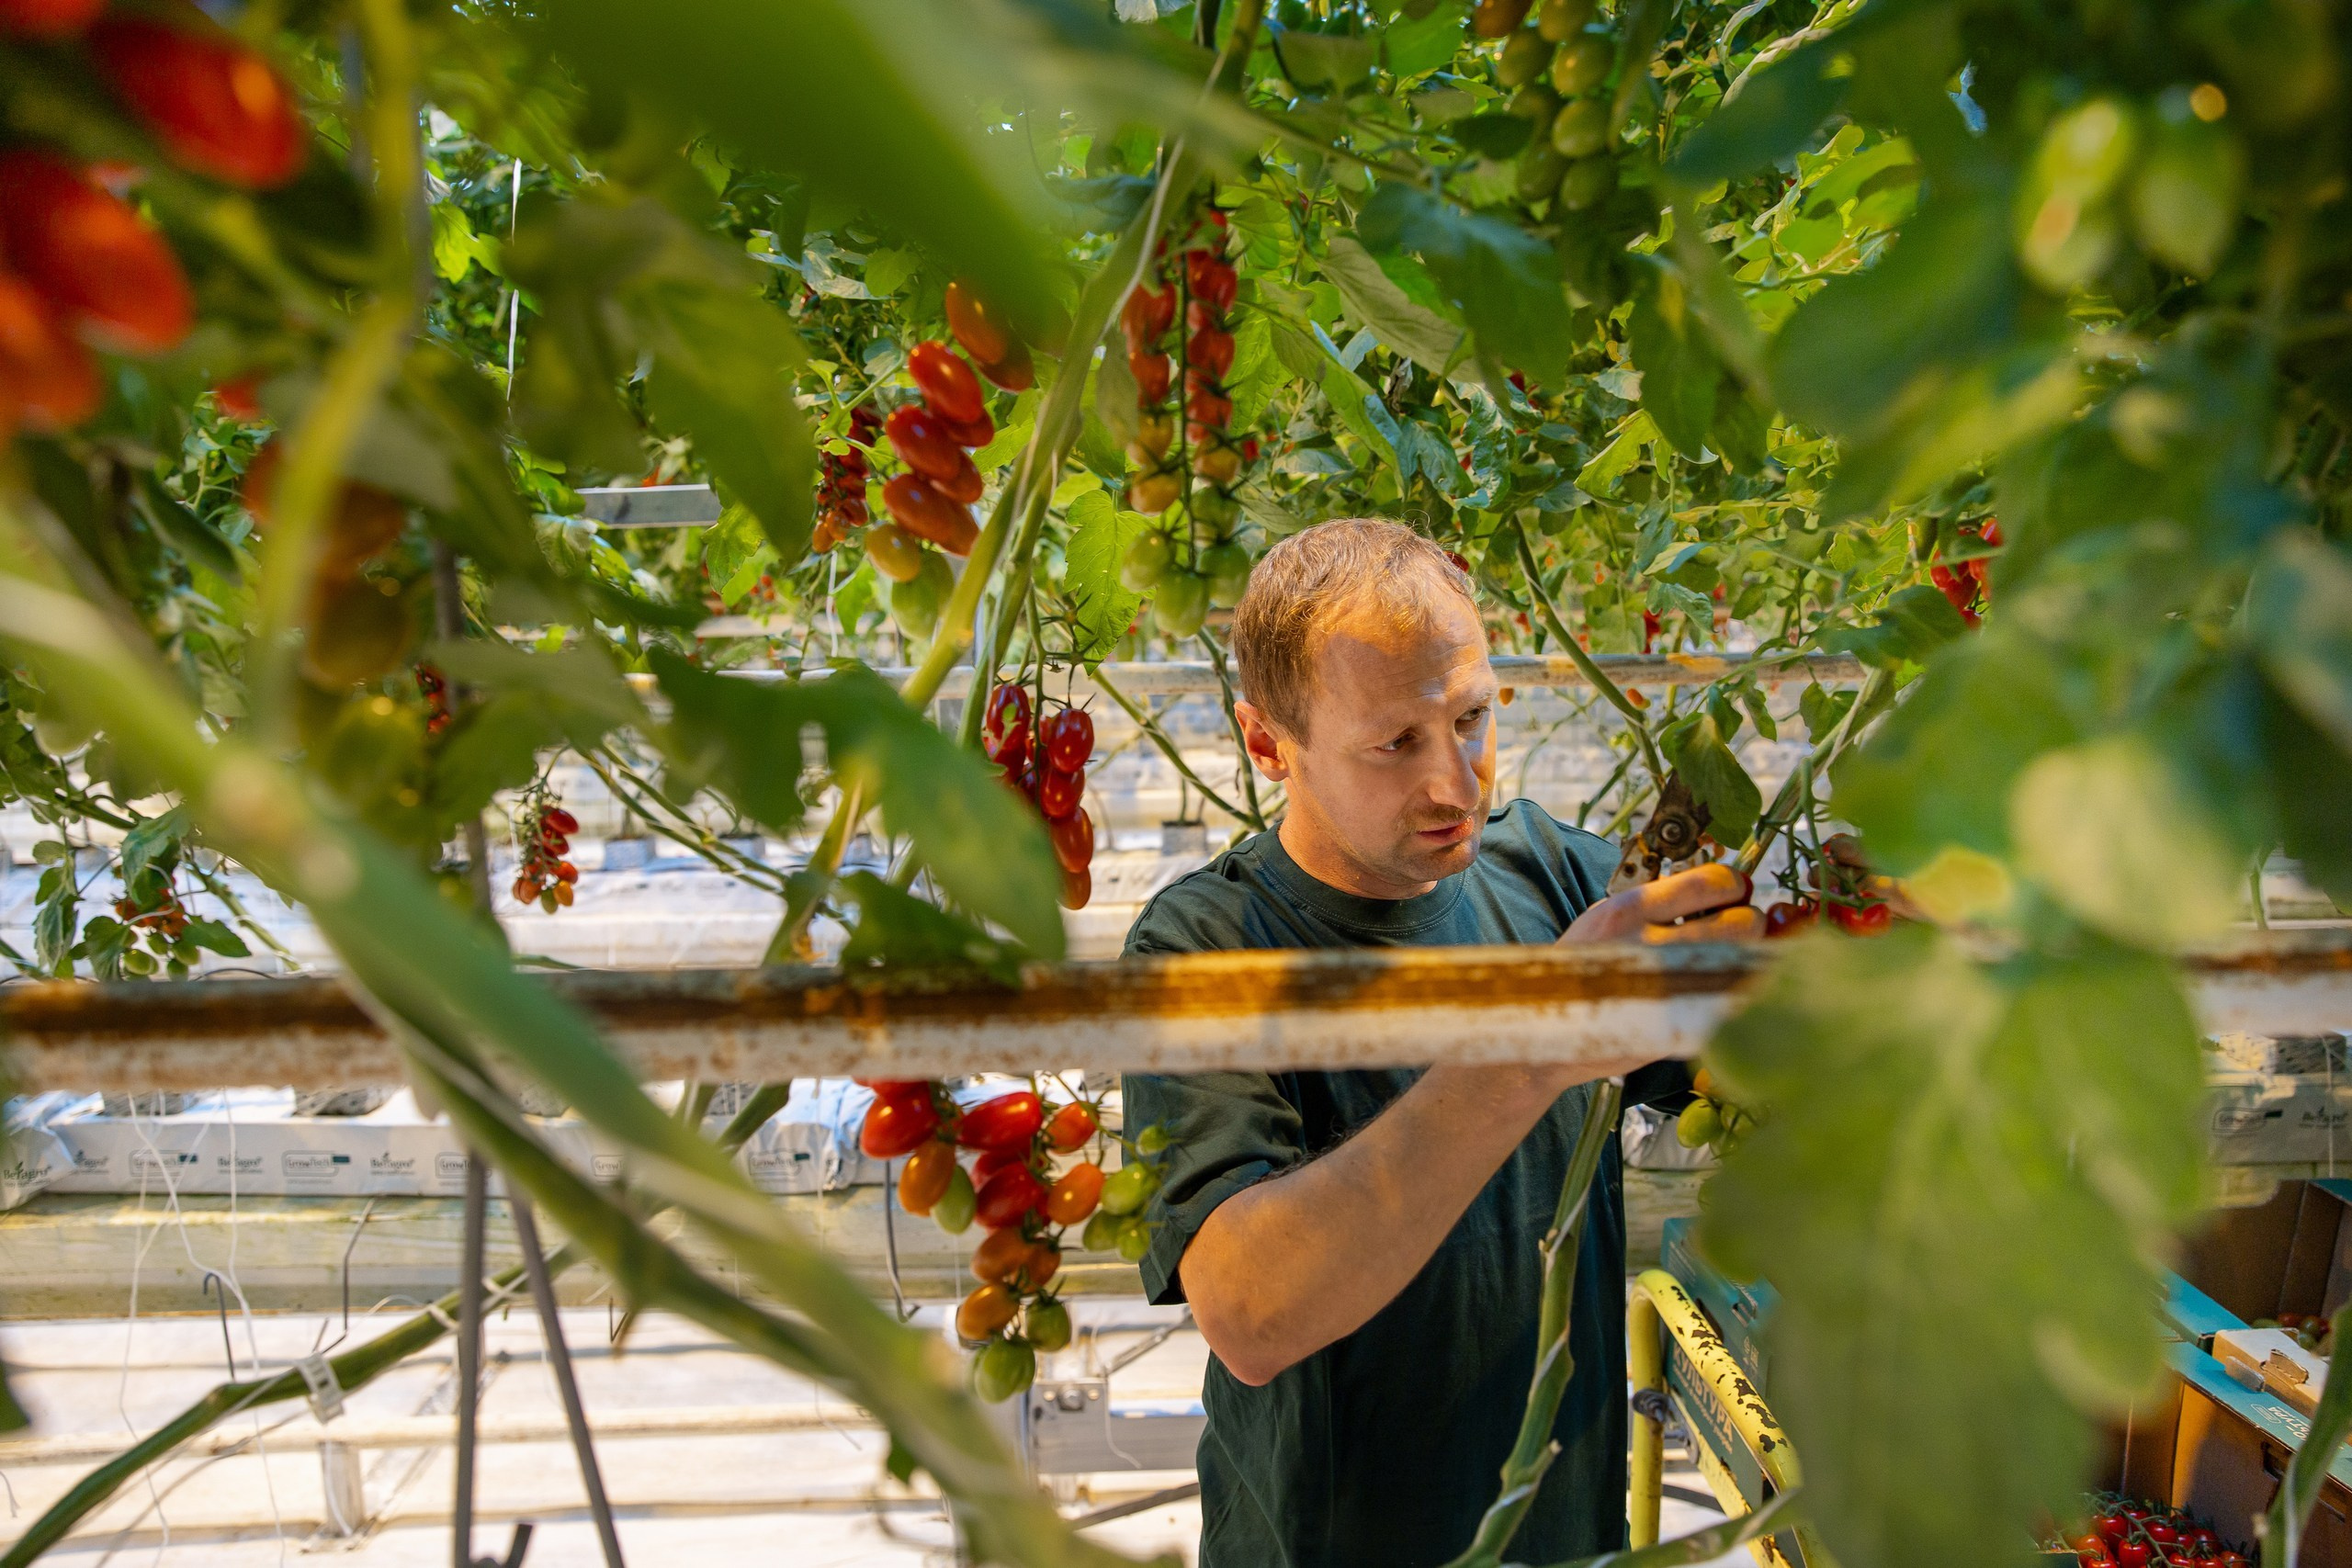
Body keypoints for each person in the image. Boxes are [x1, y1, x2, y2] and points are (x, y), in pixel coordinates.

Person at [1122, 518, 1758, 1568]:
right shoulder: (1207, 947)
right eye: (1394, 744)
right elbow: (1249, 1313)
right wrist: (1535, 1043)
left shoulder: (1548, 877)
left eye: (1471, 719)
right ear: (1266, 742)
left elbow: (1751, 1040)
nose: (1455, 786)